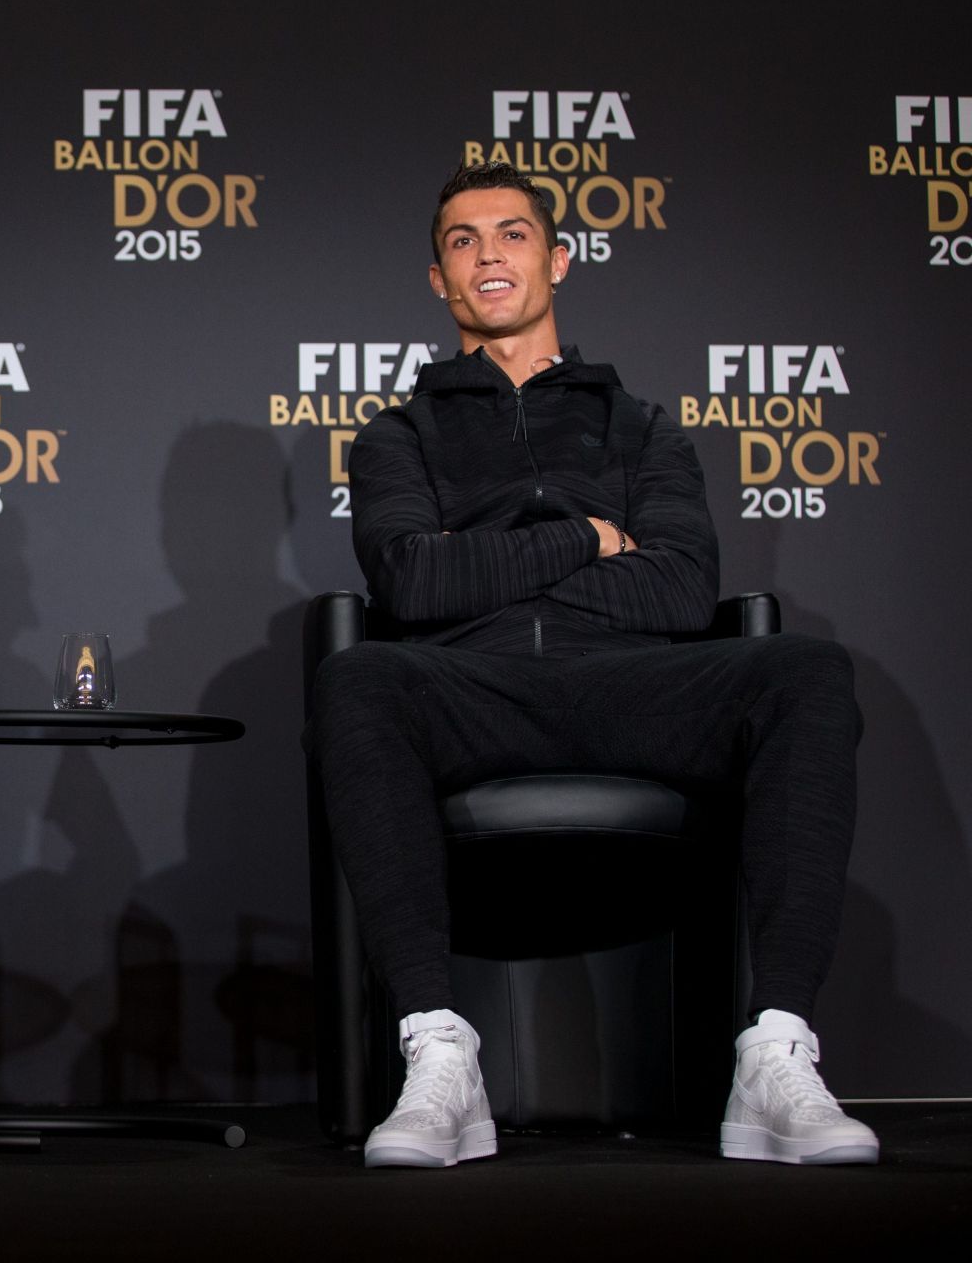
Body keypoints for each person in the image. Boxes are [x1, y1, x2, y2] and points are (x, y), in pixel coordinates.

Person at [310, 161, 877, 1169]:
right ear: (438, 279)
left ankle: (777, 1050)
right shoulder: (398, 436)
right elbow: (409, 584)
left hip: (631, 685)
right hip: (471, 688)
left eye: (513, 233)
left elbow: (676, 587)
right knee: (358, 676)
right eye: (462, 239)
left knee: (806, 669)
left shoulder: (644, 427)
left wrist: (492, 564)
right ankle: (440, 1055)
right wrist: (581, 541)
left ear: (558, 257)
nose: (488, 251)